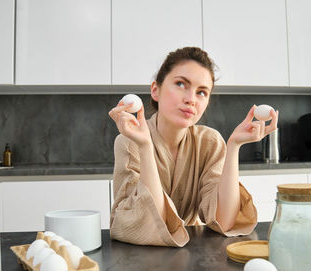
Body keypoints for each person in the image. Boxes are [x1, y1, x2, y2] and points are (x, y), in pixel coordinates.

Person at [107, 47, 279, 247]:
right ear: (155, 89)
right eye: (181, 84)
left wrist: (233, 146)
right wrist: (145, 147)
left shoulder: (209, 142)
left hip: (194, 252)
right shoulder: (129, 142)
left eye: (202, 92)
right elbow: (148, 224)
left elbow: (225, 221)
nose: (191, 99)